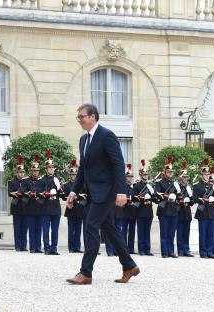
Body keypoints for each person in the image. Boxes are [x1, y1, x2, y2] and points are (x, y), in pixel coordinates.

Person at [66, 104, 139, 285]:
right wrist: (74, 191)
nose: (80, 120)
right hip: (93, 193)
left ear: (93, 117)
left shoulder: (107, 136)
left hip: (106, 192)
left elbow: (117, 164)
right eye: (78, 117)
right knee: (109, 230)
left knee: (90, 226)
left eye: (82, 116)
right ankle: (129, 265)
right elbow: (83, 169)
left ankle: (86, 273)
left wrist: (122, 191)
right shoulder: (83, 140)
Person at [37, 151, 63, 255]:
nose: (51, 169)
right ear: (46, 169)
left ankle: (54, 248)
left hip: (56, 207)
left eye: (53, 167)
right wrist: (47, 193)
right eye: (49, 167)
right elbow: (38, 193)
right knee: (46, 229)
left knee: (55, 230)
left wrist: (59, 189)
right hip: (45, 207)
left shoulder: (57, 179)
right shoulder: (42, 180)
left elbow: (62, 195)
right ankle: (47, 248)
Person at [193, 158, 214, 259]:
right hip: (202, 212)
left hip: (211, 212)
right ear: (201, 175)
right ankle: (203, 252)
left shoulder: (212, 186)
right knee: (203, 234)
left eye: (208, 175)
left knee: (211, 233)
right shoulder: (197, 186)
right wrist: (203, 200)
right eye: (205, 175)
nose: (207, 176)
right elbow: (194, 198)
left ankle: (210, 251)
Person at [154, 156, 179, 258]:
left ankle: (171, 251)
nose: (170, 173)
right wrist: (168, 196)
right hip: (164, 210)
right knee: (164, 233)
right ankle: (164, 252)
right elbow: (157, 194)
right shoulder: (159, 183)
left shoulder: (174, 183)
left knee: (171, 233)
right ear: (164, 172)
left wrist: (178, 194)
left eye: (171, 172)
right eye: (169, 172)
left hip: (173, 210)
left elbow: (179, 195)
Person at [62, 160, 86, 253]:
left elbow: (84, 195)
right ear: (70, 175)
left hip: (79, 209)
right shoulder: (66, 185)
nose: (74, 176)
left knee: (78, 229)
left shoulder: (81, 185)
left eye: (76, 174)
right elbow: (64, 196)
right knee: (71, 230)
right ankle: (71, 247)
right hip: (71, 210)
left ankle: (77, 247)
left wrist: (78, 197)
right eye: (72, 174)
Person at [20, 155, 42, 253]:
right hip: (30, 207)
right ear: (31, 171)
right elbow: (21, 191)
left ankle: (38, 247)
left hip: (40, 207)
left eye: (37, 170)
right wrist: (28, 193)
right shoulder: (26, 181)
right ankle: (32, 247)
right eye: (34, 170)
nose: (35, 172)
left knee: (39, 229)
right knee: (32, 229)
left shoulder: (42, 181)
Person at [131, 160, 154, 256]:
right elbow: (133, 197)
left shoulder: (150, 185)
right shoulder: (137, 185)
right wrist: (142, 197)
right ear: (140, 175)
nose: (145, 176)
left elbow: (155, 197)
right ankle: (141, 249)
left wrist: (152, 194)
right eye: (144, 175)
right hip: (140, 211)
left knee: (147, 231)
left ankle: (147, 249)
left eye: (146, 175)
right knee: (141, 231)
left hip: (149, 210)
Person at [8, 155, 28, 251]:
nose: (21, 174)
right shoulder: (12, 182)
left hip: (25, 207)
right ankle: (18, 246)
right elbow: (10, 192)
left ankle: (24, 246)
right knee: (17, 228)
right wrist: (18, 193)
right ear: (16, 172)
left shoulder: (26, 181)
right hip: (16, 207)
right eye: (20, 172)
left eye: (23, 172)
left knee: (24, 228)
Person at [176, 162, 194, 257]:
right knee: (179, 232)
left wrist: (190, 198)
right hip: (179, 212)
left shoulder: (189, 187)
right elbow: (175, 199)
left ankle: (186, 249)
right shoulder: (177, 187)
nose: (185, 178)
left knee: (187, 232)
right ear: (180, 178)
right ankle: (180, 250)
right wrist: (181, 200)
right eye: (183, 177)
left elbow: (192, 202)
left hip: (187, 212)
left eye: (186, 177)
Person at [121, 164, 136, 254]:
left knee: (132, 232)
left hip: (133, 212)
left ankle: (131, 248)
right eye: (128, 177)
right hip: (124, 211)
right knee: (123, 232)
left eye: (131, 177)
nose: (130, 178)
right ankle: (123, 248)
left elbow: (136, 197)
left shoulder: (134, 187)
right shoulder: (122, 186)